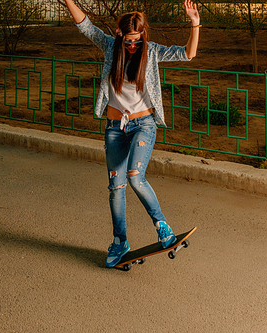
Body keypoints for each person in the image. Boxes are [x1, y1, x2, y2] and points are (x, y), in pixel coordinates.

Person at [59, 0, 201, 267]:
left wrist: (195, 23)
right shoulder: (112, 49)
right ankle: (120, 241)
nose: (133, 46)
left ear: (143, 35)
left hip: (143, 125)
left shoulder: (153, 52)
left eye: (137, 40)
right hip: (115, 129)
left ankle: (163, 227)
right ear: (119, 35)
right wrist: (68, 1)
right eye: (128, 41)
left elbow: (188, 53)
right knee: (116, 187)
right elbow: (85, 26)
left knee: (136, 176)